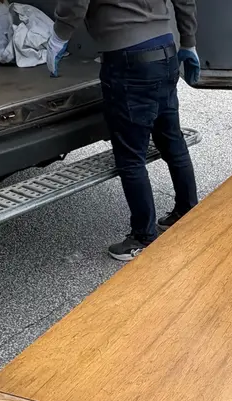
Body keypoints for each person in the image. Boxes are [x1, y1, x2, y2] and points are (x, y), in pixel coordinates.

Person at [46, 0, 200, 261]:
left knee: (130, 156)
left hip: (128, 60)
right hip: (166, 50)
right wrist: (189, 41)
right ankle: (188, 211)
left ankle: (143, 236)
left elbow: (75, 4)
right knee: (171, 139)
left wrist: (58, 36)